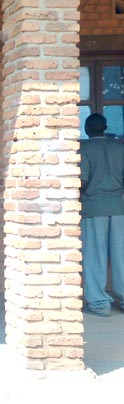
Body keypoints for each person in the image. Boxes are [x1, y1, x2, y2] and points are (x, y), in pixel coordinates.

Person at [79, 113, 124, 317]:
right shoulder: (119, 147)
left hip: (94, 208)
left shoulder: (85, 148)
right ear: (105, 127)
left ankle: (99, 303)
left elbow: (83, 181)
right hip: (118, 208)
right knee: (120, 256)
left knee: (95, 256)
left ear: (87, 129)